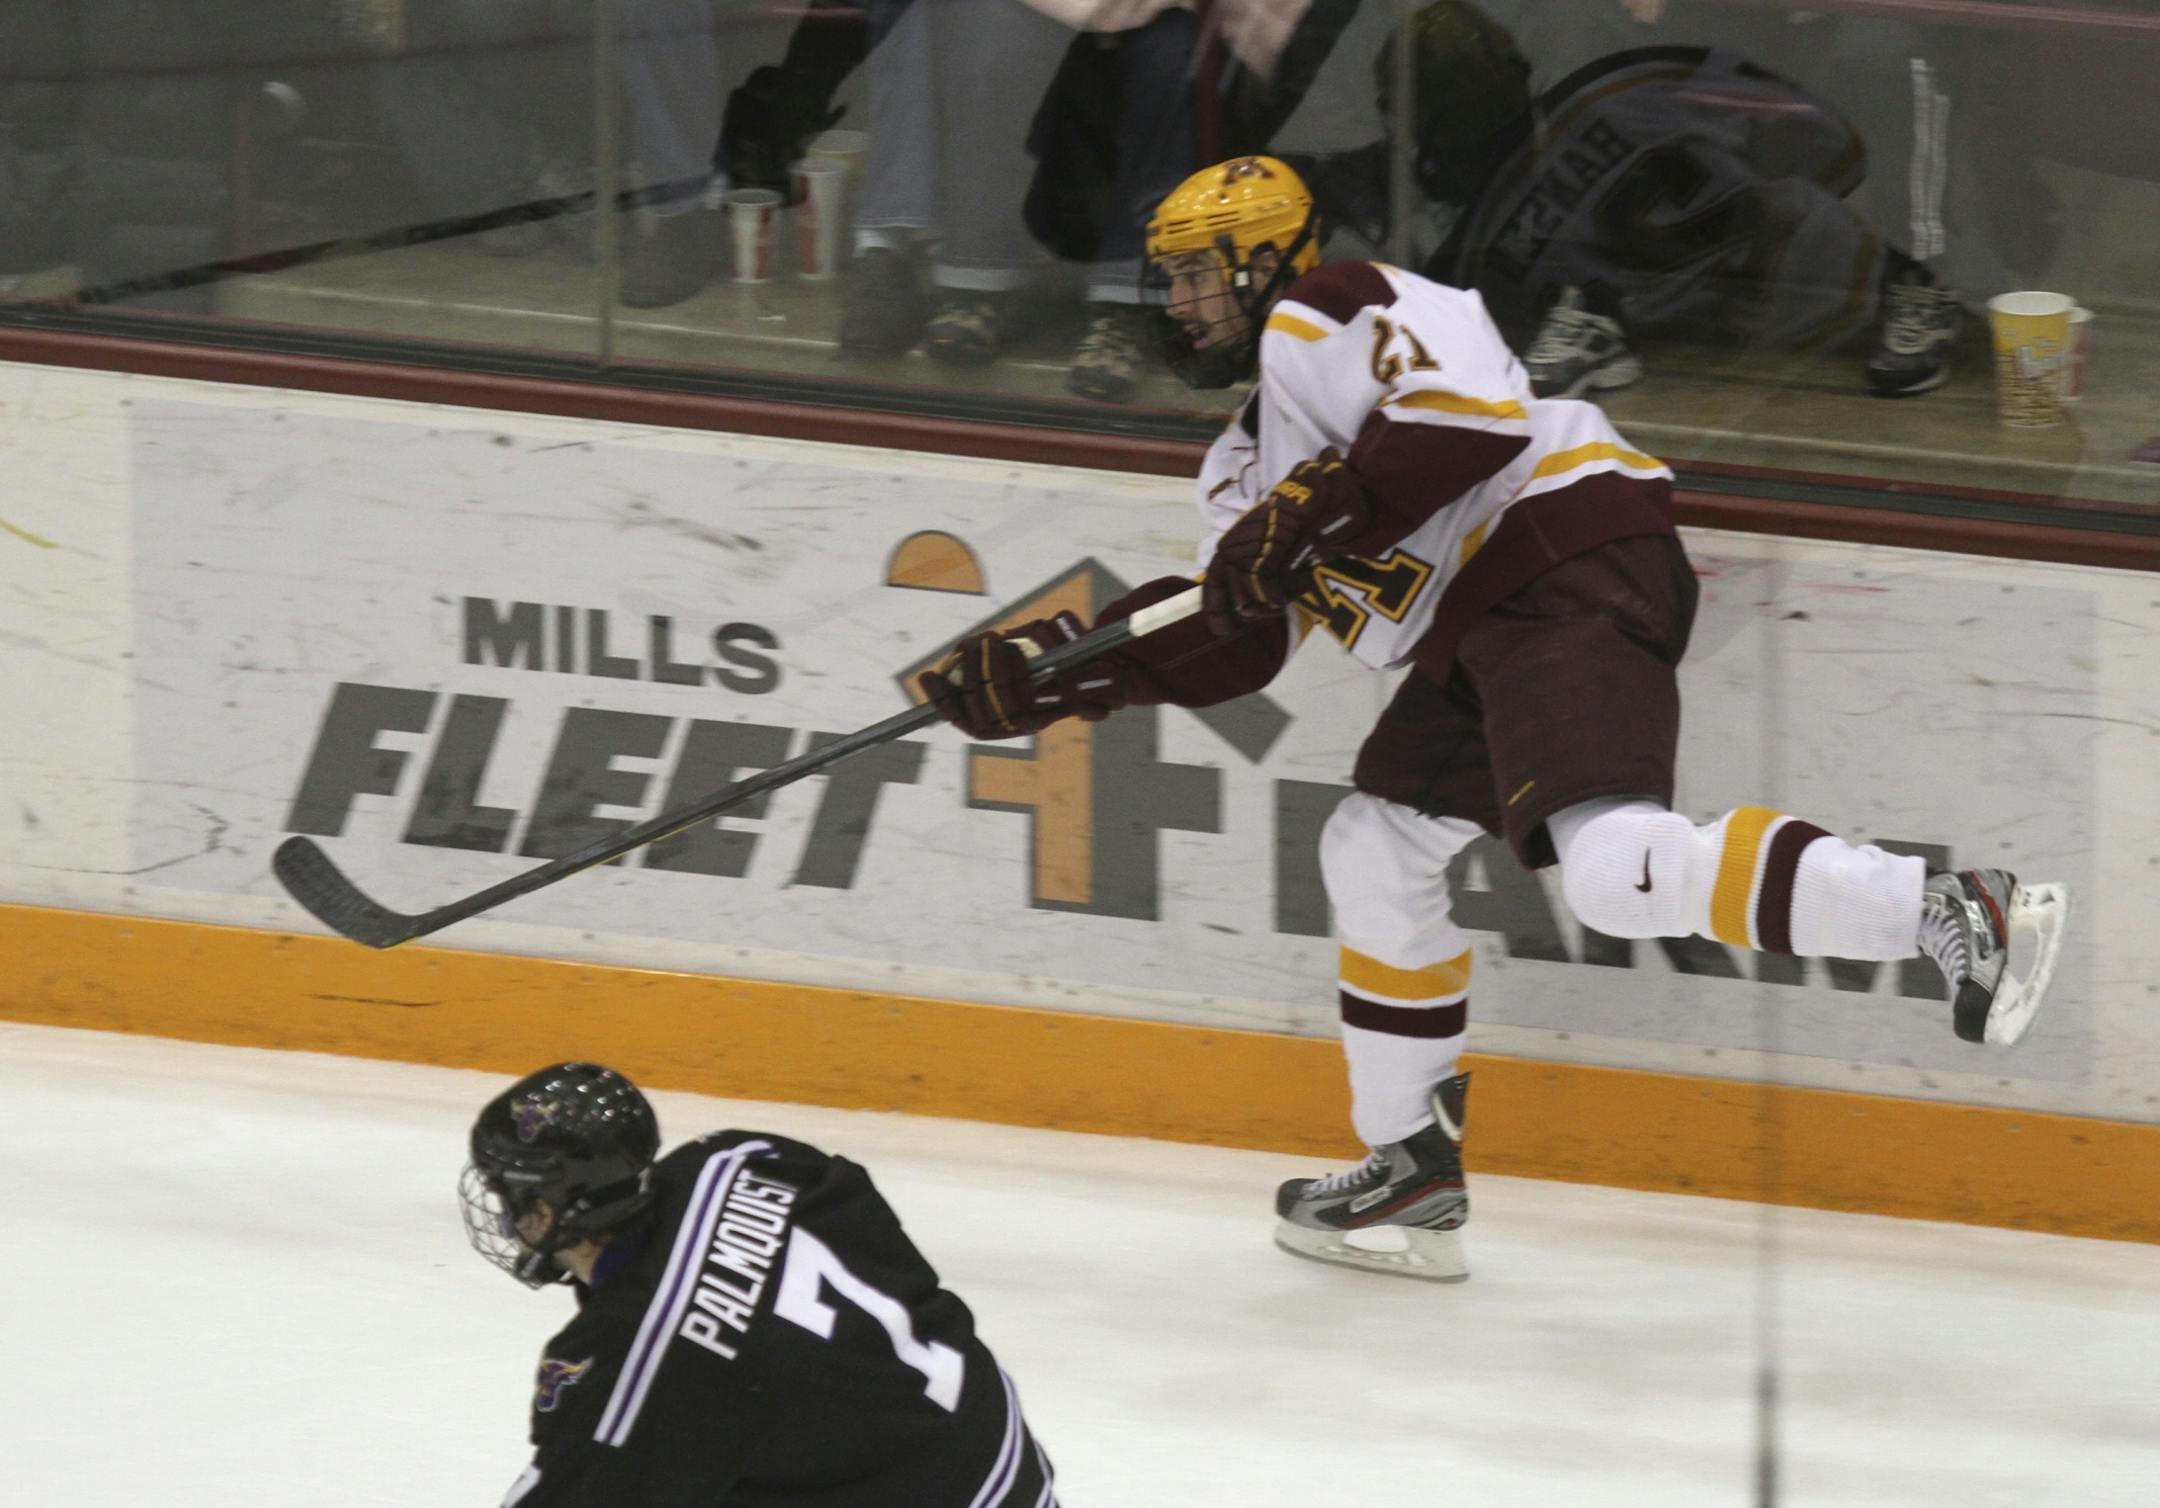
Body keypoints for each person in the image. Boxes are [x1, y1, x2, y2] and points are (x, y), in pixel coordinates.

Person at [915, 155, 2069, 1283]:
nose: (1176, 300)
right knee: (1376, 837)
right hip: (1479, 630)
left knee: (1615, 868)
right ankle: (1410, 1158)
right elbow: (1238, 629)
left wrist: (1317, 502)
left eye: (1196, 273)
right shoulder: (1235, 465)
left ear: (1267, 261)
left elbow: (1470, 421)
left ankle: (1949, 910)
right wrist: (1048, 673)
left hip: (1562, 552)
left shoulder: (1332, 308)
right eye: (1167, 280)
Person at [465, 1062, 1058, 1504]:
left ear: (555, 1208)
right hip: (993, 1442)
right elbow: (883, 1248)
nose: (507, 1211)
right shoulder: (737, 1157)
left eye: (512, 1193)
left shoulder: (632, 1355)